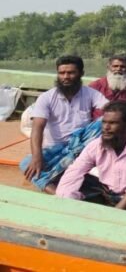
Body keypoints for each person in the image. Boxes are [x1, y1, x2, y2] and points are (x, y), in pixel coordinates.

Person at [56, 101, 126, 211]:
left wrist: (116, 212)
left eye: (113, 123)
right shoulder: (96, 145)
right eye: (104, 122)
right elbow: (74, 172)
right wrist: (66, 205)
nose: (106, 127)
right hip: (108, 196)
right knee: (74, 181)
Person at [23, 56, 109, 187]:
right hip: (56, 149)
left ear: (81, 73)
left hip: (81, 145)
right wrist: (36, 157)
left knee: (105, 120)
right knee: (26, 163)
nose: (66, 77)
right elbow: (37, 128)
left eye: (71, 73)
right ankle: (53, 190)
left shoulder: (91, 93)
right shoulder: (46, 97)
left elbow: (110, 109)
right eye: (62, 73)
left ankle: (61, 171)